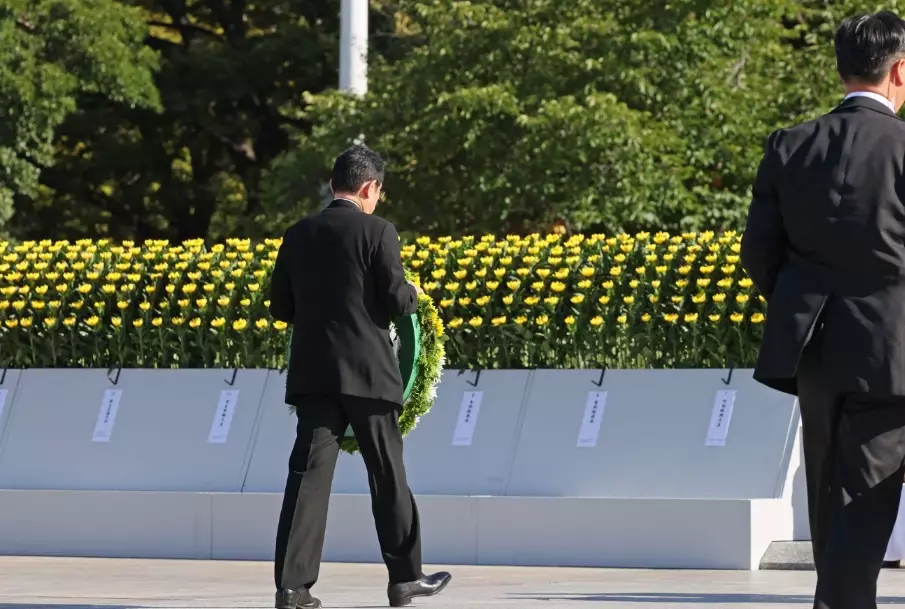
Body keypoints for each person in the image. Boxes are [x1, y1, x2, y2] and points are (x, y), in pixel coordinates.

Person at [741, 11, 905, 609]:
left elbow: (758, 253)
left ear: (841, 69)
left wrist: (799, 305)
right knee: (865, 501)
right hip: (892, 349)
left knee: (828, 495)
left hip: (813, 348)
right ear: (900, 71)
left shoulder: (790, 144)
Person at [268, 144, 452, 608]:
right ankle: (405, 578)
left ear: (334, 184)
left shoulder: (298, 233)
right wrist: (413, 292)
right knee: (387, 475)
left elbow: (281, 308)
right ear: (369, 187)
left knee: (307, 480)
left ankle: (292, 588)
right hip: (369, 376)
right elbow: (397, 300)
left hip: (314, 376)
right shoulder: (378, 231)